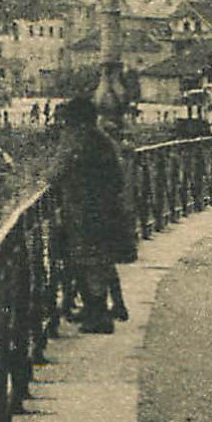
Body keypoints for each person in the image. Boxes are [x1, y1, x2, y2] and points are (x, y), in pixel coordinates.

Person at [49, 95, 135, 334]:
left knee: (88, 262)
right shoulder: (101, 139)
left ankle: (99, 316)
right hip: (104, 210)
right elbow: (118, 178)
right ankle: (97, 309)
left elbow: (56, 172)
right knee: (96, 261)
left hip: (83, 212)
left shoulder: (77, 139)